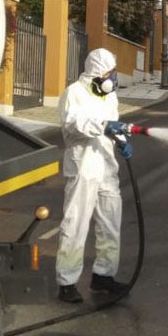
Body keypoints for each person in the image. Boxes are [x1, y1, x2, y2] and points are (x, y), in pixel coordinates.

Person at [56, 48, 133, 304]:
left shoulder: (108, 97)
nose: (114, 77)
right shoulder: (74, 93)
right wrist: (103, 126)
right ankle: (66, 282)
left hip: (106, 165)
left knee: (110, 222)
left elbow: (113, 123)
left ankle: (103, 276)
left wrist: (121, 139)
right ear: (98, 72)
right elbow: (72, 124)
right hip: (83, 166)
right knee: (75, 224)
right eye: (110, 72)